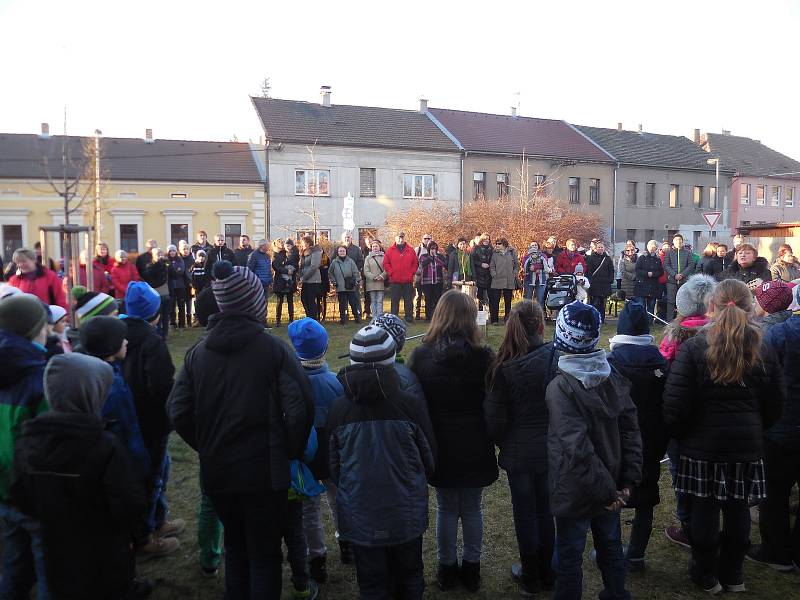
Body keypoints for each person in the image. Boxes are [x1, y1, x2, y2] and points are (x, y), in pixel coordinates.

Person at [169, 260, 314, 599]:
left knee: (236, 550)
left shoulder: (197, 353)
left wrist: (207, 444)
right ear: (254, 303)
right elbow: (300, 408)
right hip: (266, 473)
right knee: (264, 556)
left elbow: (179, 412)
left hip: (219, 471)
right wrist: (288, 450)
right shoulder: (274, 350)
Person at [663, 279, 783, 593]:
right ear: (749, 306)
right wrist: (755, 430)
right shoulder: (762, 346)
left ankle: (706, 575)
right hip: (745, 446)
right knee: (737, 508)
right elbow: (775, 403)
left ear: (711, 307)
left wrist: (685, 435)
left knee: (705, 509)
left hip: (702, 448)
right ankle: (733, 575)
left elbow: (675, 405)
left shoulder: (693, 347)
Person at [10, 353, 152, 600]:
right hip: (106, 553)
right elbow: (131, 503)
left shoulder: (29, 440)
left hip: (55, 550)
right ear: (91, 393)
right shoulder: (105, 446)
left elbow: (21, 496)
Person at [328, 325, 437, 600]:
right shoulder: (410, 404)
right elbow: (429, 458)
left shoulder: (339, 410)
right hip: (405, 510)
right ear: (391, 361)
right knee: (409, 575)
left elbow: (332, 468)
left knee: (372, 582)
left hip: (360, 512)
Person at [546, 301, 642, 600]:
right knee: (610, 545)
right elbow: (632, 433)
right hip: (611, 485)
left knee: (571, 553)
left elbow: (577, 447)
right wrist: (625, 482)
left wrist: (613, 491)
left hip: (579, 486)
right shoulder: (611, 373)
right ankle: (616, 592)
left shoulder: (560, 388)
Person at [407, 290, 496, 591]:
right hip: (469, 442)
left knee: (450, 507)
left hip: (441, 443)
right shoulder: (483, 357)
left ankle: (453, 568)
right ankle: (466, 568)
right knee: (470, 508)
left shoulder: (421, 356)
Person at [484, 300, 557, 595]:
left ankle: (535, 574)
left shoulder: (506, 366)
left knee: (528, 512)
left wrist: (508, 442)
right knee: (542, 510)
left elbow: (494, 421)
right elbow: (495, 420)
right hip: (542, 449)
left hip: (523, 452)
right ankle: (541, 574)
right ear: (540, 326)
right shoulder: (550, 359)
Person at [120, 281, 181, 559]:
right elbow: (161, 385)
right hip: (150, 419)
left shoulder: (119, 332)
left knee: (157, 470)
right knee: (152, 475)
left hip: (127, 417)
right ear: (153, 312)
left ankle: (158, 520)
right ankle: (145, 536)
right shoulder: (151, 340)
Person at [607, 301, 668, 572]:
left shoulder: (610, 363)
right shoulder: (662, 363)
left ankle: (611, 551)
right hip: (652, 441)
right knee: (646, 496)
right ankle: (635, 554)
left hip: (617, 442)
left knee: (613, 495)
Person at [287, 318, 346, 579]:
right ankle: (347, 543)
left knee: (309, 508)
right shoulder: (335, 383)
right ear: (324, 348)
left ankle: (317, 555)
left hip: (305, 454)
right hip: (332, 452)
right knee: (338, 499)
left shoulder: (291, 386)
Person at [0, 295, 50, 599]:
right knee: (49, 568)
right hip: (34, 492)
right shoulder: (36, 378)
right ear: (32, 331)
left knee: (14, 563)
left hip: (4, 488)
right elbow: (49, 442)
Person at [751, 284, 800, 571]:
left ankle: (777, 551)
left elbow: (763, 379)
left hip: (782, 424)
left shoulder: (779, 333)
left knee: (775, 490)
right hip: (783, 421)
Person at [79, 317, 152, 481]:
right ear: (111, 345)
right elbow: (129, 429)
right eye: (121, 338)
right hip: (122, 464)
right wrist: (143, 466)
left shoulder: (90, 374)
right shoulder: (114, 386)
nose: (126, 342)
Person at [383, 232, 419, 323]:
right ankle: (394, 319)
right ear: (395, 238)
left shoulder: (410, 250)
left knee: (408, 301)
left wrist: (412, 272)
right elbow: (386, 264)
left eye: (402, 237)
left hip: (408, 280)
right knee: (395, 301)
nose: (400, 239)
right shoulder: (390, 250)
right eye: (399, 238)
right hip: (395, 281)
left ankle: (409, 318)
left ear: (404, 238)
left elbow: (415, 263)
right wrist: (391, 273)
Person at [664, 234, 697, 321]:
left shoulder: (687, 253)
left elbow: (691, 265)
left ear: (682, 242)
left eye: (680, 240)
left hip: (684, 281)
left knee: (684, 301)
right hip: (671, 281)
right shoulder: (669, 253)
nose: (678, 242)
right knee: (671, 301)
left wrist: (682, 275)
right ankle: (669, 321)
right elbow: (666, 265)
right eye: (676, 240)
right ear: (673, 242)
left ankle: (682, 320)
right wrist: (674, 275)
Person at [141, 247, 171, 339]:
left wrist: (167, 264)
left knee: (166, 314)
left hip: (165, 292)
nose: (160, 256)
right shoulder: (150, 266)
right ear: (153, 256)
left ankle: (165, 333)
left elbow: (171, 274)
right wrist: (159, 264)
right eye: (158, 255)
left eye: (161, 254)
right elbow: (151, 276)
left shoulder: (164, 264)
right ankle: (158, 332)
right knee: (158, 315)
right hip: (156, 293)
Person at [633, 240, 664, 322]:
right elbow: (637, 269)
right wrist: (647, 273)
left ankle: (649, 322)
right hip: (642, 285)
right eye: (651, 246)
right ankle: (640, 322)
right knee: (641, 305)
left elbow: (661, 272)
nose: (652, 248)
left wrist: (653, 274)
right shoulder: (642, 258)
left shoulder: (658, 259)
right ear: (647, 247)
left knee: (651, 305)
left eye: (654, 247)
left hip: (653, 286)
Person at [329, 245, 361, 325]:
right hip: (340, 286)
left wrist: (357, 280)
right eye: (340, 251)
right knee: (342, 304)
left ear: (346, 252)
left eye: (343, 251)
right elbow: (330, 273)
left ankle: (357, 317)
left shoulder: (350, 261)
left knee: (353, 303)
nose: (342, 252)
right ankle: (342, 319)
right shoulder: (334, 262)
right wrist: (334, 281)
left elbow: (355, 271)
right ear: (337, 252)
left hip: (350, 286)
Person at [489, 238, 518, 325]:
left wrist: (514, 274)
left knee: (508, 301)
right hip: (497, 279)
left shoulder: (512, 252)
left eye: (499, 243)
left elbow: (516, 265)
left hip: (509, 280)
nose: (497, 245)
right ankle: (494, 320)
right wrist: (494, 274)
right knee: (495, 301)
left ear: (504, 244)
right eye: (496, 243)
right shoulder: (495, 254)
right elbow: (492, 266)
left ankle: (508, 320)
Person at [586, 241, 614, 324]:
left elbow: (611, 271)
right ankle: (594, 319)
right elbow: (589, 271)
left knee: (603, 303)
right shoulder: (591, 258)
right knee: (595, 303)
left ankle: (602, 319)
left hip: (605, 284)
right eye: (599, 247)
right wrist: (590, 281)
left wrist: (610, 280)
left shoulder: (608, 259)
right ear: (595, 248)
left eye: (602, 247)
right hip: (595, 284)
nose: (600, 248)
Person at [419, 241, 448, 321]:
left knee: (437, 299)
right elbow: (423, 264)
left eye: (435, 249)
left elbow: (445, 264)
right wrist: (430, 257)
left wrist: (436, 257)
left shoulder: (439, 256)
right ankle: (428, 317)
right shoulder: (424, 256)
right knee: (428, 299)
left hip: (438, 282)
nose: (433, 250)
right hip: (427, 282)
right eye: (432, 248)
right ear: (429, 249)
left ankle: (437, 317)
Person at [272, 238, 297, 327]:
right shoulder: (275, 254)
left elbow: (294, 262)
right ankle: (278, 320)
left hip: (290, 280)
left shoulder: (287, 252)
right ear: (276, 244)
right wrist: (286, 271)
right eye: (280, 243)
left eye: (283, 243)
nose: (282, 244)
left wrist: (291, 269)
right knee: (279, 301)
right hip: (280, 280)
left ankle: (291, 319)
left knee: (290, 300)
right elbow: (276, 266)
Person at [247, 239, 273, 323]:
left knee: (265, 303)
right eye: (267, 245)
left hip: (266, 283)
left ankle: (263, 321)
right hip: (257, 283)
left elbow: (268, 269)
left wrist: (270, 279)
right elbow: (250, 269)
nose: (269, 247)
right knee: (257, 303)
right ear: (262, 246)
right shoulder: (254, 255)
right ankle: (256, 321)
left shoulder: (267, 256)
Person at [297, 236, 323, 321]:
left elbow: (314, 266)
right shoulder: (303, 253)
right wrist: (300, 276)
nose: (302, 245)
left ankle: (313, 318)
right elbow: (301, 266)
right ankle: (309, 316)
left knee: (311, 300)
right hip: (305, 280)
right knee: (304, 299)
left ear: (308, 243)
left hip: (313, 280)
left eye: (303, 243)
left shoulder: (316, 252)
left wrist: (304, 277)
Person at [167, 244, 190, 329]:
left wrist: (173, 271)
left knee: (181, 305)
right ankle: (172, 323)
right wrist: (175, 271)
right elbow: (167, 272)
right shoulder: (166, 261)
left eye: (173, 250)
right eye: (170, 251)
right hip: (170, 286)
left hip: (180, 285)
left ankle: (182, 323)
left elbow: (181, 271)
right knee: (171, 305)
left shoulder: (180, 260)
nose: (172, 252)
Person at [522, 241, 552, 307]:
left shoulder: (543, 255)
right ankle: (526, 315)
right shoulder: (526, 257)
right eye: (532, 245)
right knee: (527, 299)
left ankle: (540, 315)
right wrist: (537, 268)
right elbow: (526, 266)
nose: (534, 246)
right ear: (529, 247)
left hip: (541, 280)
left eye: (535, 245)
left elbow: (545, 266)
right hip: (528, 280)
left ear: (538, 246)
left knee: (540, 300)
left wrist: (535, 268)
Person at [363, 239, 387, 319]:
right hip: (371, 282)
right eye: (373, 246)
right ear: (371, 248)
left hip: (381, 282)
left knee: (379, 301)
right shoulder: (368, 258)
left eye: (376, 246)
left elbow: (387, 268)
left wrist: (381, 276)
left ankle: (379, 317)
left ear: (379, 247)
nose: (375, 248)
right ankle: (374, 318)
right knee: (373, 301)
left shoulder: (384, 257)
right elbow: (366, 270)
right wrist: (373, 277)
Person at [471, 233, 493, 310]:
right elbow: (472, 260)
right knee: (479, 296)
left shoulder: (491, 249)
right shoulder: (476, 248)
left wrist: (490, 265)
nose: (486, 241)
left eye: (488, 239)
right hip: (479, 275)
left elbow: (494, 260)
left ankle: (488, 314)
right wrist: (481, 264)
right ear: (481, 239)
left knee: (490, 296)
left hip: (489, 275)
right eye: (485, 239)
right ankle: (479, 313)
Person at [414, 234, 432, 320]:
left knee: (428, 296)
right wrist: (417, 271)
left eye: (429, 238)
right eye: (425, 238)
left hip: (429, 277)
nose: (427, 240)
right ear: (422, 239)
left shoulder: (433, 249)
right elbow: (413, 262)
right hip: (419, 276)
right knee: (418, 295)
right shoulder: (418, 249)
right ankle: (416, 314)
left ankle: (428, 315)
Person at [178, 241, 194, 326]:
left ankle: (189, 320)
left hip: (189, 284)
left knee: (189, 302)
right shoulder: (178, 259)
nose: (185, 251)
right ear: (180, 250)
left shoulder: (192, 259)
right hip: (180, 284)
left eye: (187, 249)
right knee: (181, 303)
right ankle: (182, 321)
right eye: (184, 249)